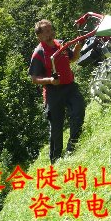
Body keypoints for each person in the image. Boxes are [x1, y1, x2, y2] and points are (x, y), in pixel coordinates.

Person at [28, 19, 85, 164]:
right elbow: (34, 78)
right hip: (53, 92)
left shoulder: (61, 45)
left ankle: (73, 145)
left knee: (78, 111)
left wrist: (78, 47)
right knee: (56, 127)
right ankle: (56, 159)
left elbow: (73, 58)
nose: (50, 33)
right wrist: (50, 80)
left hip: (70, 87)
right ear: (39, 36)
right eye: (46, 31)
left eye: (51, 29)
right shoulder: (38, 54)